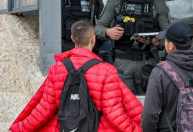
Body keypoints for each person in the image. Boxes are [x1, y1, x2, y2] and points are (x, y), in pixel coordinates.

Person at [9, 20, 143, 132]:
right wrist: (137, 129)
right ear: (93, 38)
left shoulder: (57, 69)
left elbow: (44, 109)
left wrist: (18, 128)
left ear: (72, 38)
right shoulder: (107, 70)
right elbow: (114, 113)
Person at [95, 0, 171, 95]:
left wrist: (159, 43)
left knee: (149, 108)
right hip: (123, 62)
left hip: (148, 63)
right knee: (122, 107)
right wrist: (108, 32)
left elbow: (170, 36)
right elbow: (97, 28)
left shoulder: (157, 2)